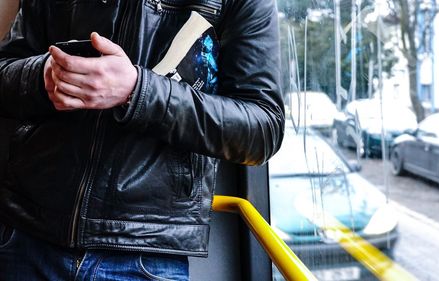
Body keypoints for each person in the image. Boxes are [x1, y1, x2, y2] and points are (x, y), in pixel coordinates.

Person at [0, 0, 284, 280]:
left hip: (145, 254)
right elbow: (5, 71)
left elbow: (263, 129)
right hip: (25, 232)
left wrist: (137, 92)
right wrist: (41, 77)